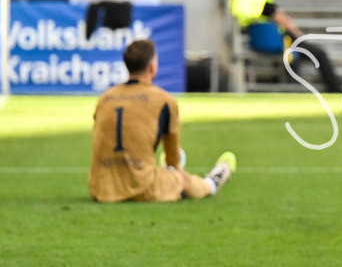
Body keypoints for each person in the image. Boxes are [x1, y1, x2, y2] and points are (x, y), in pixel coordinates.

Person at [88, 38, 236, 203]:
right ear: (152, 66)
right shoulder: (164, 100)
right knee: (182, 179)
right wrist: (174, 170)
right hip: (142, 187)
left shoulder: (105, 97)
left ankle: (166, 172)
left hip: (101, 188)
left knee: (165, 171)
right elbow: (173, 157)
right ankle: (212, 183)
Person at [228, 0, 342, 93]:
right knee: (318, 54)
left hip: (255, 43)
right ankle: (336, 88)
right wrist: (298, 33)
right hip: (278, 41)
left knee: (296, 54)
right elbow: (278, 17)